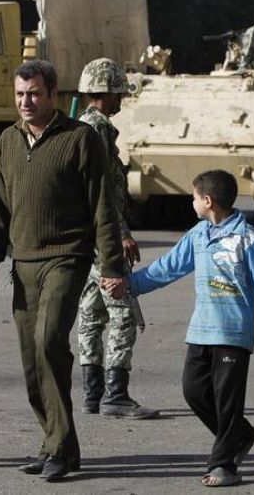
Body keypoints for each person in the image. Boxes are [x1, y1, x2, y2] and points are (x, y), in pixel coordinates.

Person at [0, 60, 126, 482]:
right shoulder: (7, 141)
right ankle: (58, 444)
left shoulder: (80, 138)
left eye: (34, 94)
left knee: (48, 341)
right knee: (32, 360)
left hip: (66, 257)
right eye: (20, 94)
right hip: (23, 263)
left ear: (53, 95)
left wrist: (112, 265)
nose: (26, 102)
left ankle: (58, 447)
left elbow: (102, 206)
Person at [104, 170, 254, 487]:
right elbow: (166, 268)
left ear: (207, 201)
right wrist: (129, 284)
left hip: (233, 334)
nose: (191, 203)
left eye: (193, 198)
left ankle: (224, 466)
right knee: (193, 391)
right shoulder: (198, 235)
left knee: (228, 402)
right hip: (201, 331)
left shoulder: (246, 238)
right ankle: (242, 435)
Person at [75, 58, 158, 419]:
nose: (121, 99)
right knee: (122, 311)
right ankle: (116, 394)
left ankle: (92, 393)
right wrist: (121, 233)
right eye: (118, 93)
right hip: (103, 237)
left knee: (91, 311)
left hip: (85, 236)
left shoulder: (79, 126)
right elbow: (102, 189)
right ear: (104, 93)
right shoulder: (99, 130)